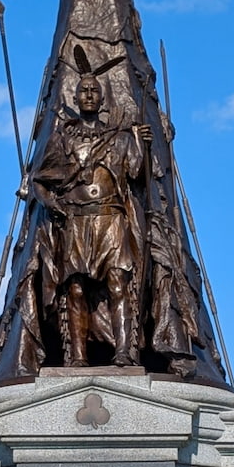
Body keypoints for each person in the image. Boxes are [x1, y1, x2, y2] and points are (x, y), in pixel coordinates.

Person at [32, 73, 152, 367]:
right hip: (75, 219)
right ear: (75, 98)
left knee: (118, 283)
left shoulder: (119, 138)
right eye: (83, 91)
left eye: (94, 91)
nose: (88, 95)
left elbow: (135, 173)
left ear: (102, 100)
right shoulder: (63, 138)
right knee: (75, 289)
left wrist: (142, 142)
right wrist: (52, 203)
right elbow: (39, 181)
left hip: (110, 218)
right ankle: (78, 356)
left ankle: (124, 352)